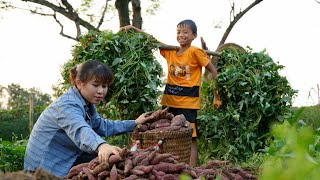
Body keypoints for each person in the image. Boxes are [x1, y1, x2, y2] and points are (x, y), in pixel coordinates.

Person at [23, 60, 155, 177]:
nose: (101, 91)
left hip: (67, 156)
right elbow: (80, 130)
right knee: (102, 163)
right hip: (44, 168)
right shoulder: (66, 105)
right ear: (79, 83)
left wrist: (135, 123)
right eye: (95, 85)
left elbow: (102, 125)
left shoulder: (87, 104)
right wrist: (101, 146)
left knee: (113, 162)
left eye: (104, 86)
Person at [120, 19, 218, 166]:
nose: (181, 35)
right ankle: (169, 166)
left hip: (188, 103)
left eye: (185, 32)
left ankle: (192, 169)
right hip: (169, 101)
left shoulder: (195, 52)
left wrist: (216, 93)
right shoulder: (170, 51)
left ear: (194, 36)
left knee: (190, 136)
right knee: (166, 134)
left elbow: (212, 70)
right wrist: (134, 29)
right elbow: (153, 41)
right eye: (178, 32)